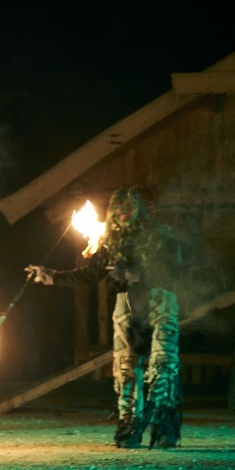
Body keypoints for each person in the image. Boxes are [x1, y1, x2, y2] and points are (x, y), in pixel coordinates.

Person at [25, 187, 183, 449]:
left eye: (130, 207)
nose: (123, 213)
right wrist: (51, 276)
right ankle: (129, 428)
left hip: (159, 300)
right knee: (125, 367)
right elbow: (90, 274)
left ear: (139, 211)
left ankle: (164, 428)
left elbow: (173, 271)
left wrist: (137, 274)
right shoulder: (111, 241)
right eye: (119, 208)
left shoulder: (158, 236)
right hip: (127, 304)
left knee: (163, 366)